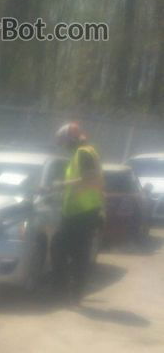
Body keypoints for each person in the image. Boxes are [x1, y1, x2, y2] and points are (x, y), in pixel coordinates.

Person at [49, 122, 104, 303]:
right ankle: (74, 293)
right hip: (82, 212)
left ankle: (65, 292)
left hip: (80, 213)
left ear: (71, 139)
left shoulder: (83, 153)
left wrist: (61, 185)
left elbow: (89, 177)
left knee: (61, 249)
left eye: (64, 142)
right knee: (77, 253)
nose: (63, 147)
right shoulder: (85, 152)